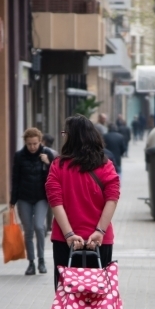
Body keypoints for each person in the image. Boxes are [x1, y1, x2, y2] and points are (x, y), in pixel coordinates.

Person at [46, 115, 120, 291]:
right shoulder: (105, 165)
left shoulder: (58, 166)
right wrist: (100, 231)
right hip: (99, 241)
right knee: (98, 296)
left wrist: (69, 234)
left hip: (65, 241)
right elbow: (112, 198)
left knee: (68, 295)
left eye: (65, 133)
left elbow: (55, 202)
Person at [11, 128, 56, 275]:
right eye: (30, 144)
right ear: (25, 142)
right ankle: (31, 263)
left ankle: (41, 260)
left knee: (39, 226)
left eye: (35, 143)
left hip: (41, 197)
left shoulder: (47, 154)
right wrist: (13, 200)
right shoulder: (19, 156)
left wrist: (48, 164)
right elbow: (15, 179)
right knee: (28, 230)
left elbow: (55, 176)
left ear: (40, 141)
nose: (32, 147)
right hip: (24, 198)